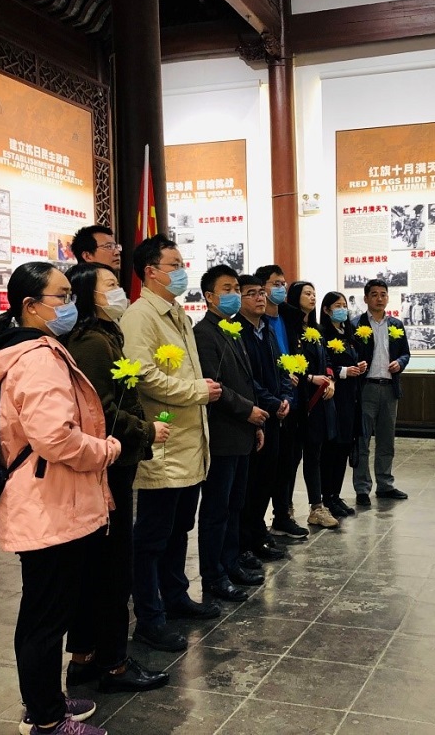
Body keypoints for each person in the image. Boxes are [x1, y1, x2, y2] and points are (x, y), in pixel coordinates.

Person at [0, 262, 120, 735]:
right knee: (44, 619)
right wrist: (106, 450)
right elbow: (55, 439)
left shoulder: (29, 349)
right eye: (62, 296)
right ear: (31, 306)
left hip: (49, 500)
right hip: (48, 504)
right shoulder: (37, 358)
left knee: (47, 612)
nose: (70, 304)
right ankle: (48, 721)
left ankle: (47, 701)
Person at [61, 263, 170, 694]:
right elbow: (100, 410)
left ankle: (85, 656)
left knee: (98, 563)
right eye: (109, 285)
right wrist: (146, 430)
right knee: (111, 566)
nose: (119, 290)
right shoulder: (91, 341)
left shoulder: (107, 334)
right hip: (107, 462)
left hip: (112, 461)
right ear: (89, 295)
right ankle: (113, 664)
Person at [120, 234, 222, 653]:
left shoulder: (176, 312)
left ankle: (175, 595)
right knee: (152, 537)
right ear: (151, 272)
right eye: (174, 265)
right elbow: (144, 375)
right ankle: (149, 617)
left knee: (180, 528)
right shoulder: (139, 316)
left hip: (188, 443)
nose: (182, 272)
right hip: (163, 442)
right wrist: (198, 391)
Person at [193, 265, 268, 604]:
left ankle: (231, 562)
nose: (235, 294)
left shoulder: (231, 329)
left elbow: (244, 381)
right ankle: (214, 576)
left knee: (235, 505)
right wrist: (247, 411)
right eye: (228, 289)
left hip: (242, 432)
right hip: (223, 434)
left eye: (237, 288)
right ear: (209, 296)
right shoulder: (204, 333)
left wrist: (255, 423)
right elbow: (215, 386)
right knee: (216, 510)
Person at [238, 274, 292, 561]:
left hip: (274, 414)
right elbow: (246, 379)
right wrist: (273, 401)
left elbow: (282, 369)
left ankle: (258, 535)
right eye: (251, 293)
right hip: (252, 415)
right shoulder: (236, 332)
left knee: (268, 479)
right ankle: (246, 541)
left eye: (261, 292)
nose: (260, 297)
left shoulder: (267, 330)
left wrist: (286, 398)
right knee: (251, 484)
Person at [255, 264, 311, 541]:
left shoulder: (290, 316)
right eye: (275, 283)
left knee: (289, 462)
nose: (281, 288)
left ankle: (282, 514)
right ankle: (257, 524)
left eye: (283, 283)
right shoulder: (255, 321)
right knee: (267, 468)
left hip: (293, 397)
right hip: (267, 401)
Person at [286, 280, 339, 529]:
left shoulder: (317, 330)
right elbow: (287, 362)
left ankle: (317, 507)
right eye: (307, 293)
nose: (312, 297)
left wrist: (329, 379)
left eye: (314, 293)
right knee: (292, 457)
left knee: (314, 455)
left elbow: (326, 359)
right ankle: (285, 507)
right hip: (297, 400)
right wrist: (309, 378)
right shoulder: (289, 329)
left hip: (318, 401)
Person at [354, 279, 411, 504]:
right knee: (362, 440)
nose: (379, 298)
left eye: (383, 294)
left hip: (389, 389)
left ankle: (385, 484)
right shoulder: (356, 324)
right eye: (374, 294)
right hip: (365, 388)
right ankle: (362, 488)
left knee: (386, 440)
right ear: (366, 298)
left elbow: (405, 353)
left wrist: (400, 362)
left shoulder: (395, 324)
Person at [319, 291, 366, 518]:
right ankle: (326, 497)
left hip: (351, 398)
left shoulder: (348, 334)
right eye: (337, 305)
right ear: (326, 310)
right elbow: (324, 364)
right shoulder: (322, 334)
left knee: (344, 449)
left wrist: (358, 367)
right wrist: (344, 371)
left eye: (344, 305)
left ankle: (335, 495)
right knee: (332, 450)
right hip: (334, 398)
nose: (342, 309)